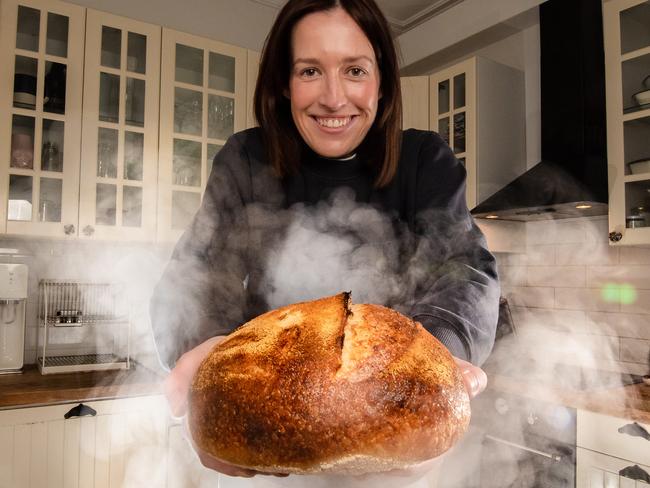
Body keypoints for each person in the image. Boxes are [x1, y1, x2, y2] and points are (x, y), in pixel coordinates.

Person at [150, 0, 500, 480]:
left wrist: (436, 358)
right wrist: (204, 348)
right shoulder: (247, 159)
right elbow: (197, 275)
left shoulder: (424, 160)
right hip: (263, 437)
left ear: (382, 81)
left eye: (355, 70)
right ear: (283, 84)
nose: (334, 98)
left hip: (398, 454)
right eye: (310, 70)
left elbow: (463, 269)